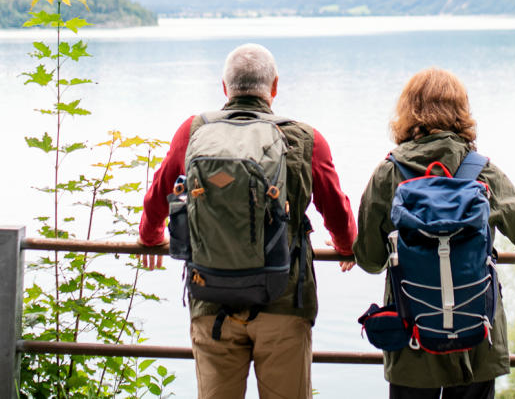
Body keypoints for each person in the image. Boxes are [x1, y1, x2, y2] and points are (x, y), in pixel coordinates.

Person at [138, 43, 357, 399]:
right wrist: (346, 247)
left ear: (224, 88)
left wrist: (149, 238)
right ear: (274, 87)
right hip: (284, 302)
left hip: (211, 300)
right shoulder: (305, 138)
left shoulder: (192, 131)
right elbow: (337, 212)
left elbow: (159, 195)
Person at [354, 67, 515, 399]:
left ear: (407, 111)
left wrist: (353, 245)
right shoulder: (481, 170)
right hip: (477, 333)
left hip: (412, 332)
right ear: (461, 111)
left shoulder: (389, 172)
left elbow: (371, 259)